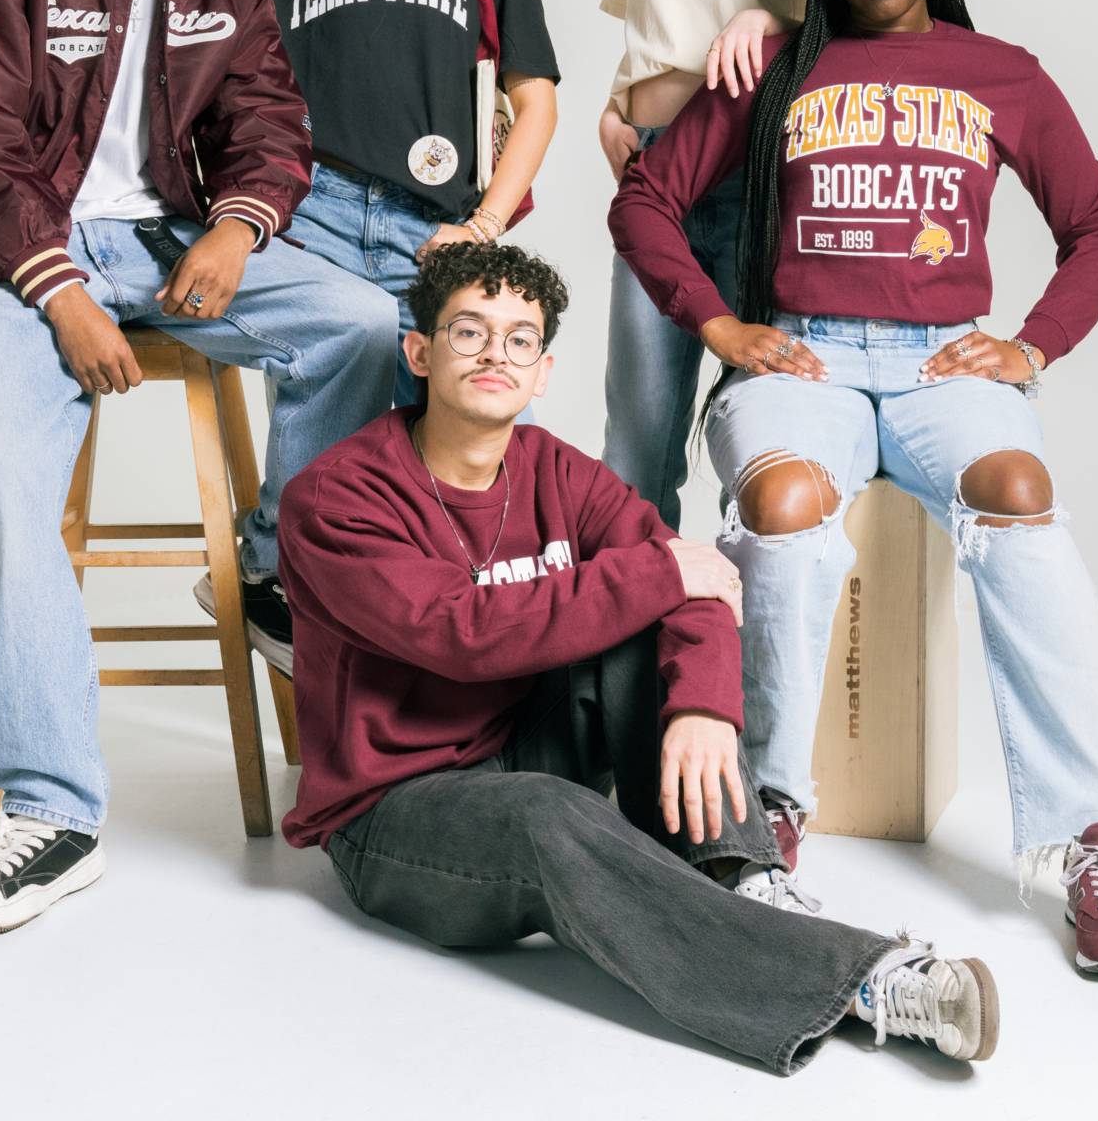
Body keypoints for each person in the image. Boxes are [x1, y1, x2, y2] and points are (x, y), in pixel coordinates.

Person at [610, 0, 1098, 978]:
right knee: (782, 501)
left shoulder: (998, 72)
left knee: (1020, 491)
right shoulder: (782, 69)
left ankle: (1089, 840)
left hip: (937, 368)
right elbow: (646, 200)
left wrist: (1030, 344)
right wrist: (719, 326)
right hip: (804, 359)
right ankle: (762, 810)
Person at [276, 243, 1000, 1072]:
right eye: (468, 332)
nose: (494, 355)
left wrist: (704, 709)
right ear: (419, 352)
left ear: (542, 372)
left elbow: (697, 587)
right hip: (396, 810)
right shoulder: (336, 498)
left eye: (519, 340)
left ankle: (744, 881)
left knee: (642, 629)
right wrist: (659, 573)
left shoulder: (556, 470)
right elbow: (461, 632)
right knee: (551, 810)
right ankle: (863, 980)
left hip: (521, 742)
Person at [0, 0, 400, 935]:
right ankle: (52, 812)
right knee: (3, 477)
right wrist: (59, 291)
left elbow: (268, 120)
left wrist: (237, 231)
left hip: (172, 241)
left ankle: (277, 569)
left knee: (358, 322)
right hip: (15, 257)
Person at [188, 0, 561, 668]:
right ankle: (272, 572)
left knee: (457, 438)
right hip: (310, 208)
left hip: (428, 226)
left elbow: (537, 101)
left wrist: (482, 227)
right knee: (338, 374)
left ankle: (425, 647)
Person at [598, 0, 833, 530]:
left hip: (749, 171)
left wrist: (767, 20)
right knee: (636, 440)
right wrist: (615, 108)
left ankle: (745, 612)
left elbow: (845, 31)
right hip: (653, 167)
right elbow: (647, 28)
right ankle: (633, 614)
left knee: (752, 425)